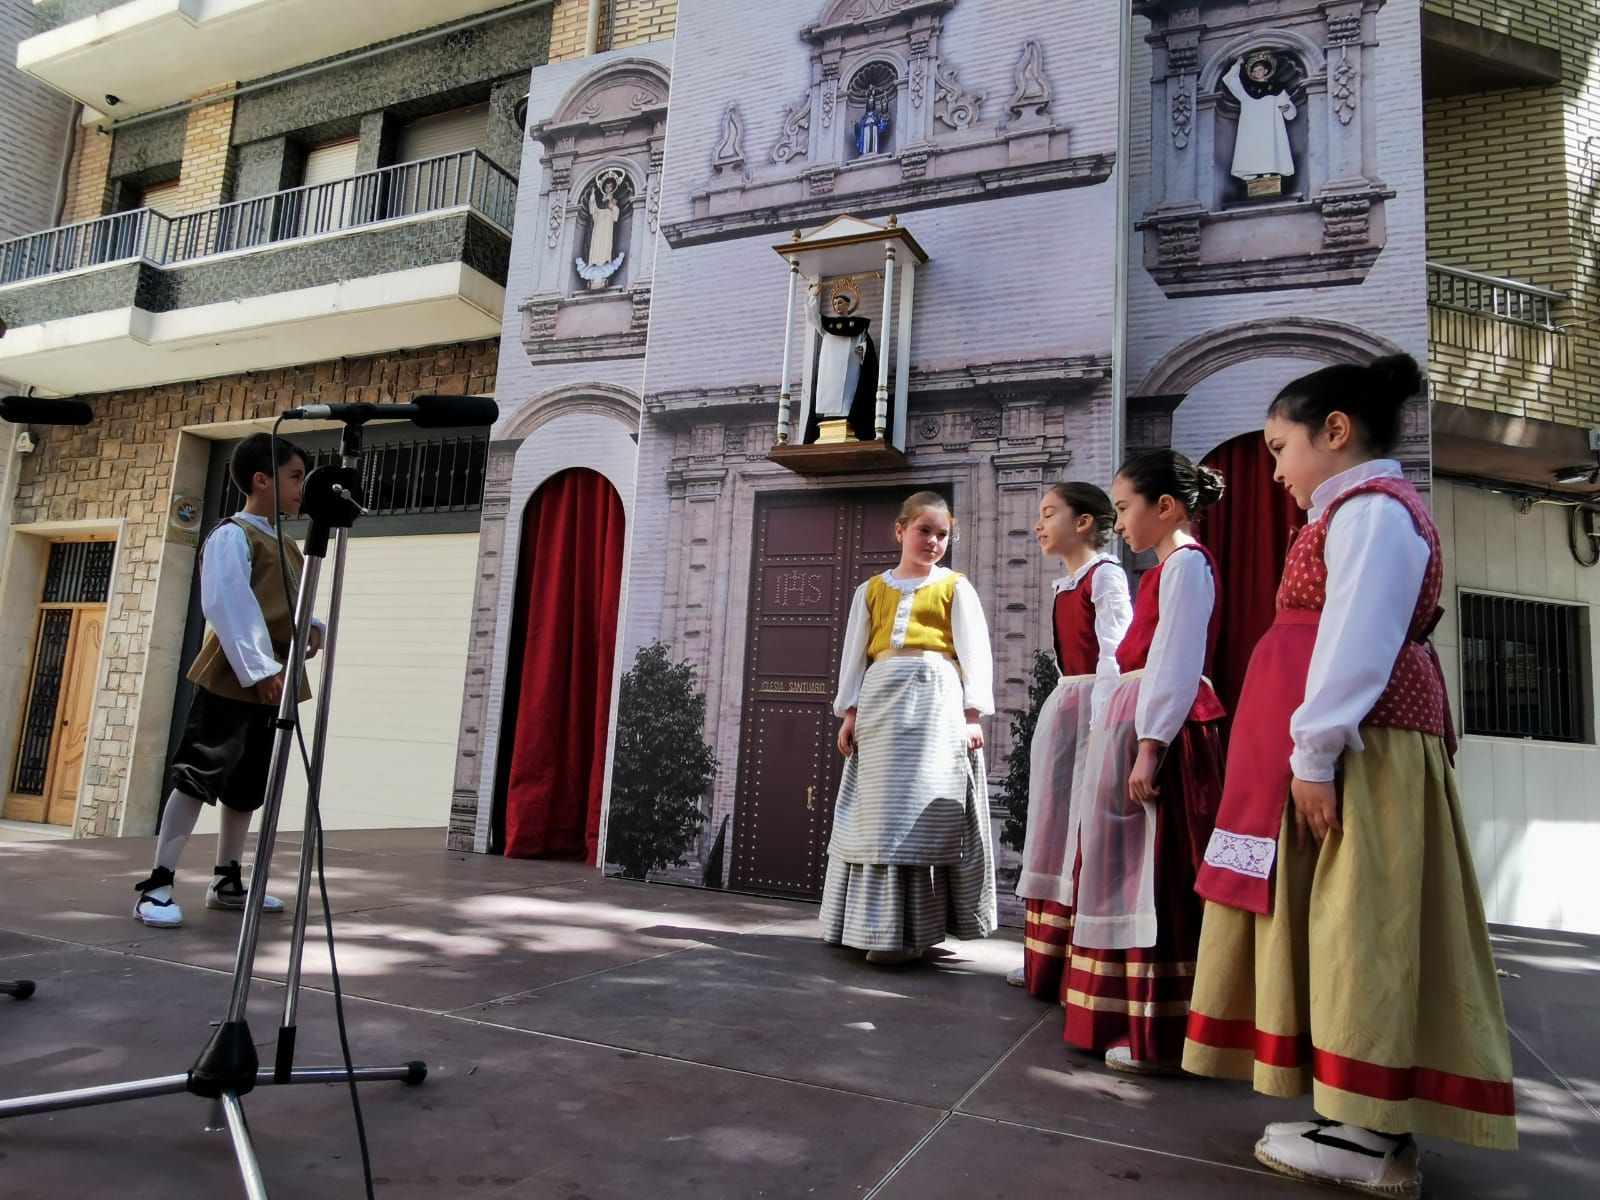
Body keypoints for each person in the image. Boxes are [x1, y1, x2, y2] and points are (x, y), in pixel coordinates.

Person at [1183, 355, 1516, 1195]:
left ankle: (1370, 1132)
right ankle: (1351, 1112)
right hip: (1346, 751)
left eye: (1279, 446)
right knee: (1339, 922)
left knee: (1362, 923)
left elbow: (1357, 639)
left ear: (1335, 432)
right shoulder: (1355, 513)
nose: (1276, 469)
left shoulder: (1372, 513)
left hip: (1360, 753)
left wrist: (1316, 754)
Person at [1061, 451, 1226, 1073]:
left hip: (1167, 734)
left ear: (1166, 506)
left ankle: (1165, 1033)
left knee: (1156, 877)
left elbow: (1178, 659)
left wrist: (1151, 745)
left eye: (1125, 508)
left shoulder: (1186, 566)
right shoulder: (1166, 569)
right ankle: (1128, 1016)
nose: (1118, 521)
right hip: (1144, 723)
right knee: (1133, 872)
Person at [132, 433, 322, 928]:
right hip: (236, 676)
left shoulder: (284, 540)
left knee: (246, 784)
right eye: (295, 476)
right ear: (262, 480)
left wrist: (311, 626)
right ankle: (157, 883)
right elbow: (227, 603)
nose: (302, 486)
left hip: (273, 675)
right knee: (198, 775)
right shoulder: (231, 535)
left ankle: (227, 879)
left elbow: (284, 601)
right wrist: (259, 669)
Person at [822, 490, 996, 964]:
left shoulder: (955, 587)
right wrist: (850, 712)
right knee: (877, 814)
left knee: (920, 810)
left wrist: (973, 713)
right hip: (880, 701)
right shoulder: (871, 590)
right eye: (925, 531)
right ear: (900, 531)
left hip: (935, 701)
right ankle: (873, 928)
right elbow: (856, 655)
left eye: (943, 534)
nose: (934, 541)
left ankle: (915, 932)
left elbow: (973, 652)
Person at [1008, 483, 1132, 996]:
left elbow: (1114, 652)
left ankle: (1081, 962)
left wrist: (1104, 723)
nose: (1039, 525)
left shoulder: (1105, 577)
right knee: (1054, 824)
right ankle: (1046, 957)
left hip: (1093, 709)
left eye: (1049, 514)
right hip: (1066, 706)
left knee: (1082, 829)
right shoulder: (1065, 586)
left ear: (1083, 523)